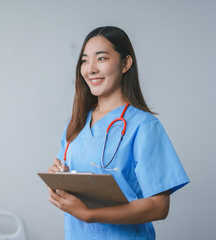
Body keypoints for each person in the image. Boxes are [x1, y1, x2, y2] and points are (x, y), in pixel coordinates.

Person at [47, 26, 189, 240]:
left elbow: (159, 206)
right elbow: (73, 187)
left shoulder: (144, 126)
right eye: (85, 60)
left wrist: (90, 215)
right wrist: (59, 179)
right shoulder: (75, 123)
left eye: (101, 58)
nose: (90, 69)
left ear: (125, 64)